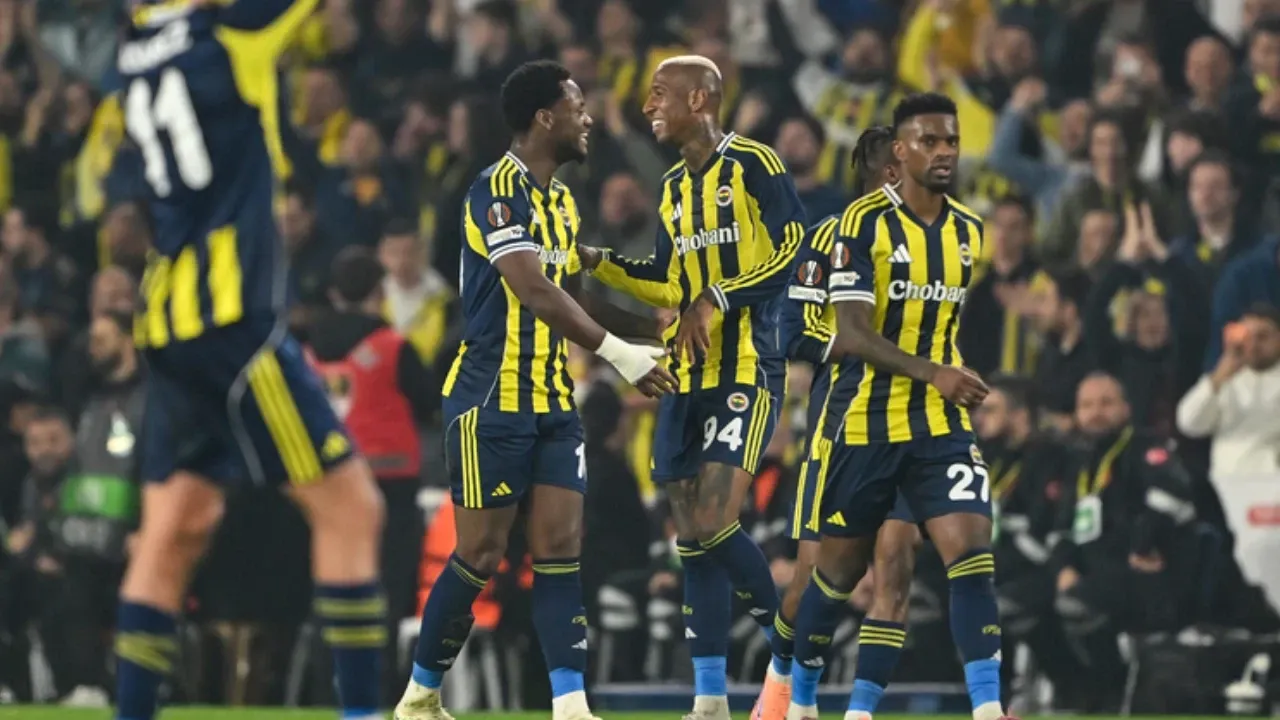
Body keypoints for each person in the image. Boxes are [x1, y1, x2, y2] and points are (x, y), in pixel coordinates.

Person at [117, 2, 387, 719]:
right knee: (351, 509)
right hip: (231, 320)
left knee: (173, 530)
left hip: (166, 318)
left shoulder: (135, 42)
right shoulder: (232, 34)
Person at [394, 60, 676, 720]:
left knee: (560, 551)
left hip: (553, 402)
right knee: (481, 553)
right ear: (546, 118)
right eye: (578, 107)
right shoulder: (495, 192)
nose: (589, 118)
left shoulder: (563, 203)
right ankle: (419, 697)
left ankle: (571, 706)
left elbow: (575, 298)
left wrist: (654, 329)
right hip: (488, 400)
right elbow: (533, 289)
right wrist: (620, 356)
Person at [577, 54, 809, 720]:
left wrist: (717, 296)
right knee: (691, 538)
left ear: (700, 99)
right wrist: (598, 263)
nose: (648, 106)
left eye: (659, 94)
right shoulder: (674, 186)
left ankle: (794, 660)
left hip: (747, 366)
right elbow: (665, 281)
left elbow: (793, 247)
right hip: (687, 373)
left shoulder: (755, 164)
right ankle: (710, 699)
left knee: (713, 521)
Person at [787, 93, 1015, 720]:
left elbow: (943, 327)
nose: (944, 152)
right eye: (929, 141)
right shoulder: (859, 225)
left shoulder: (969, 230)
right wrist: (934, 371)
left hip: (940, 424)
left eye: (952, 141)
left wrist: (956, 375)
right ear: (900, 150)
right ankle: (800, 700)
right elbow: (853, 333)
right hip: (866, 421)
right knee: (835, 578)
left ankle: (988, 709)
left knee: (971, 554)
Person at [764, 126, 923, 720]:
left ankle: (859, 713)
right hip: (842, 425)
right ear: (890, 172)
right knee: (814, 579)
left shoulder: (936, 239)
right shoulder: (830, 238)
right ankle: (778, 693)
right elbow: (793, 333)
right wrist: (859, 348)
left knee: (895, 569)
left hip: (913, 427)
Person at [305, 246, 438, 700]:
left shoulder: (306, 352)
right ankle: (377, 693)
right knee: (387, 592)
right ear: (379, 292)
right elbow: (432, 405)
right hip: (390, 487)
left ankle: (325, 690)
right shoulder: (393, 348)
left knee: (332, 586)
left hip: (325, 483)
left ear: (332, 293)